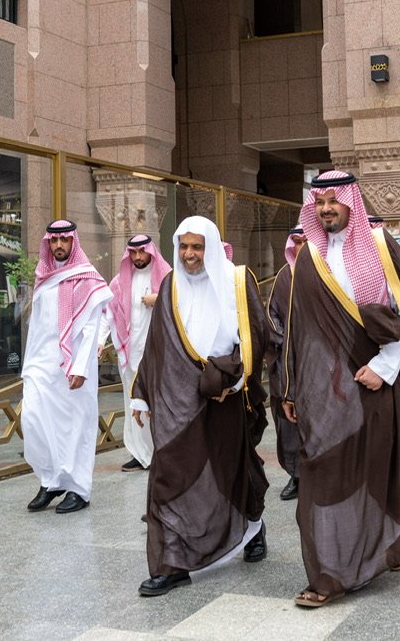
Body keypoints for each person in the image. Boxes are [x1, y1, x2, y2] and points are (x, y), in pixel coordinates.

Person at [279, 171, 400, 607]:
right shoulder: (308, 256)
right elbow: (297, 329)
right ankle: (329, 573)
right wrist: (291, 389)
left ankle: (387, 547)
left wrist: (383, 367)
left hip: (374, 386)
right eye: (320, 202)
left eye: (334, 200)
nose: (327, 208)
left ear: (351, 202)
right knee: (324, 474)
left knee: (375, 471)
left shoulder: (382, 248)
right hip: (324, 393)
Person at [130, 216, 270, 596]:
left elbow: (256, 336)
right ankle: (171, 562)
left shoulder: (236, 282)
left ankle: (252, 526)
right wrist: (142, 392)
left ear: (210, 246)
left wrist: (237, 380)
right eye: (185, 247)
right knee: (169, 473)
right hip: (175, 399)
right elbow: (156, 344)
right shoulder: (170, 284)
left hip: (224, 396)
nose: (190, 255)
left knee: (231, 470)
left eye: (198, 246)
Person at [21, 220, 112, 514]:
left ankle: (78, 488)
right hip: (40, 363)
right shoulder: (44, 276)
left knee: (75, 428)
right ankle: (51, 480)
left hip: (73, 366)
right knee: (34, 421)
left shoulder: (87, 278)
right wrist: (28, 364)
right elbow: (37, 325)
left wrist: (82, 367)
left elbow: (91, 328)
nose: (58, 246)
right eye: (54, 241)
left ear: (74, 242)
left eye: (64, 240)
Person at [105, 234, 170, 473]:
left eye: (142, 252)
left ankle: (159, 453)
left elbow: (181, 303)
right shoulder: (120, 281)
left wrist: (159, 298)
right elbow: (108, 311)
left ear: (150, 252)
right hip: (131, 353)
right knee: (132, 402)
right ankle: (138, 453)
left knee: (156, 405)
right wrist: (102, 341)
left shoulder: (167, 277)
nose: (138, 257)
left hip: (158, 355)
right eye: (133, 253)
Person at [266, 226, 306, 501]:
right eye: (298, 242)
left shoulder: (328, 273)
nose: (301, 247)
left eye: (306, 242)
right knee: (288, 421)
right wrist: (284, 339)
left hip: (317, 362)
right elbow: (271, 313)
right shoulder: (284, 275)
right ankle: (296, 474)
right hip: (287, 362)